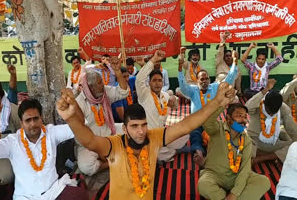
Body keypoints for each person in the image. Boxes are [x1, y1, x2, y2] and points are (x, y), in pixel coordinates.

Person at [56, 81, 236, 200]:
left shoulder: (153, 137)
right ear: (125, 129)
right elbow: (89, 141)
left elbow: (186, 125)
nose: (141, 132)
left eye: (143, 125)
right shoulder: (114, 145)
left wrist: (217, 103)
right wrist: (71, 118)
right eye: (134, 127)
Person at [0, 98, 88, 200]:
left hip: (53, 193)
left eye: (36, 119)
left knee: (80, 195)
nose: (33, 124)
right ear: (21, 123)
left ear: (41, 118)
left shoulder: (51, 133)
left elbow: (80, 125)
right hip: (25, 197)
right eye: (28, 120)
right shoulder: (12, 142)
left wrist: (73, 103)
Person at [198, 103, 270, 199]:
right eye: (239, 116)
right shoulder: (217, 128)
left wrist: (235, 193)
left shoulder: (246, 140)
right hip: (214, 174)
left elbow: (245, 168)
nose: (243, 120)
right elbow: (207, 121)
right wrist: (222, 104)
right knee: (203, 185)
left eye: (245, 117)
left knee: (264, 181)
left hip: (235, 176)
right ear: (228, 118)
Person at [178, 51, 238, 166]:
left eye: (206, 79)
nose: (204, 81)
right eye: (202, 79)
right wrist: (180, 69)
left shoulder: (214, 88)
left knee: (217, 136)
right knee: (195, 135)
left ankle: (214, 155)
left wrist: (235, 62)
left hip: (211, 122)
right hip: (197, 122)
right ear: (197, 81)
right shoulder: (193, 90)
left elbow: (229, 80)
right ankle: (199, 153)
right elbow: (182, 87)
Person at [75, 55, 129, 176]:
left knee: (133, 131)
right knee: (86, 166)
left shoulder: (104, 92)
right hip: (91, 145)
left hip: (110, 134)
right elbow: (80, 136)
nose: (102, 85)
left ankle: (110, 155)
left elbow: (123, 92)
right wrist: (98, 149)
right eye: (99, 83)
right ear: (90, 87)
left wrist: (117, 71)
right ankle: (111, 162)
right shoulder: (79, 103)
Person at [135, 50, 181, 161]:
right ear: (149, 82)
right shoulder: (144, 95)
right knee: (160, 153)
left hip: (162, 133)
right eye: (154, 80)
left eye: (160, 80)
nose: (157, 83)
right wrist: (153, 60)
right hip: (148, 136)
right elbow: (139, 79)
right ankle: (163, 153)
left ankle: (164, 151)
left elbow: (175, 105)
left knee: (184, 135)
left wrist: (174, 101)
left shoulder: (165, 95)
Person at [246, 79, 297, 163]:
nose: (271, 113)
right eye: (269, 110)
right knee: (243, 145)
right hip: (255, 141)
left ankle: (261, 157)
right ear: (264, 102)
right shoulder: (258, 104)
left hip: (273, 142)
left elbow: (292, 130)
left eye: (274, 111)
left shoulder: (283, 108)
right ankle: (274, 156)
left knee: (293, 146)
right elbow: (247, 107)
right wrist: (265, 90)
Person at [215, 32, 242, 96]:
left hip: (230, 92)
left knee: (236, 100)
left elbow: (238, 82)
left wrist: (239, 91)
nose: (229, 57)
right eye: (226, 56)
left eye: (230, 56)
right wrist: (223, 40)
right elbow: (220, 53)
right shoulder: (220, 63)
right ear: (223, 57)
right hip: (218, 91)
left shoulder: (235, 67)